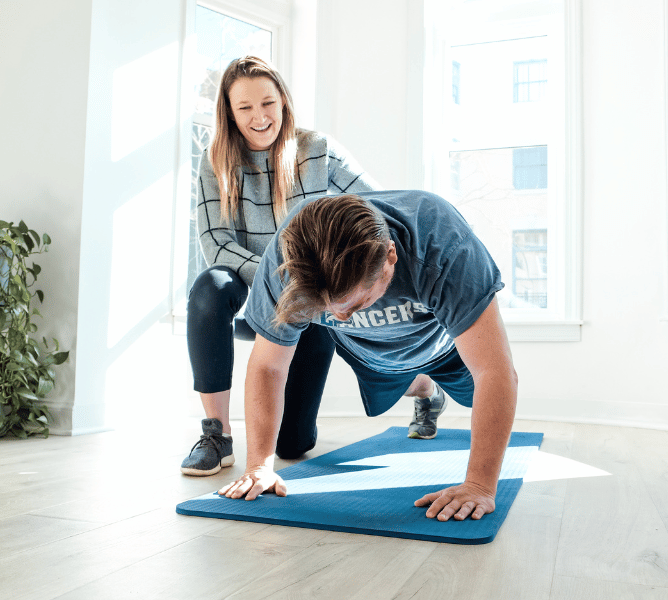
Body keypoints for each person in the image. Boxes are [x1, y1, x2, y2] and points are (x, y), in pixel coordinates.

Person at [181, 56, 445, 476]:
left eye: (267, 103)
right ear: (229, 113)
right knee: (209, 286)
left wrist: (325, 283)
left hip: (316, 301)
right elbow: (216, 243)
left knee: (292, 446)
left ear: (283, 102)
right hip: (260, 295)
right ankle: (216, 433)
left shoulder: (317, 151)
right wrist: (281, 280)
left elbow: (377, 209)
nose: (259, 116)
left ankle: (424, 386)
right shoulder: (215, 161)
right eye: (245, 107)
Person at [219, 191, 518, 522]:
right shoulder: (289, 257)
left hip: (446, 349)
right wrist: (259, 464)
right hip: (370, 355)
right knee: (402, 382)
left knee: (482, 392)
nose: (342, 318)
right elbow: (268, 365)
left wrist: (480, 485)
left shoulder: (440, 242)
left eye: (357, 304)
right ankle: (425, 390)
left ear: (391, 255)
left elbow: (495, 371)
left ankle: (430, 380)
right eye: (328, 309)